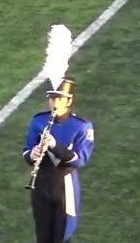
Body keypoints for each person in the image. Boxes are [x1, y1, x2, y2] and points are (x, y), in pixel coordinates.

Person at [23, 35, 94, 243]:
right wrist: (33, 154)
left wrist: (55, 146)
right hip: (41, 183)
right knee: (43, 235)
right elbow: (26, 150)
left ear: (69, 101)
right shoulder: (38, 122)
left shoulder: (81, 126)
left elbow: (80, 159)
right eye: (52, 98)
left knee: (63, 235)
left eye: (59, 98)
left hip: (65, 185)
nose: (54, 103)